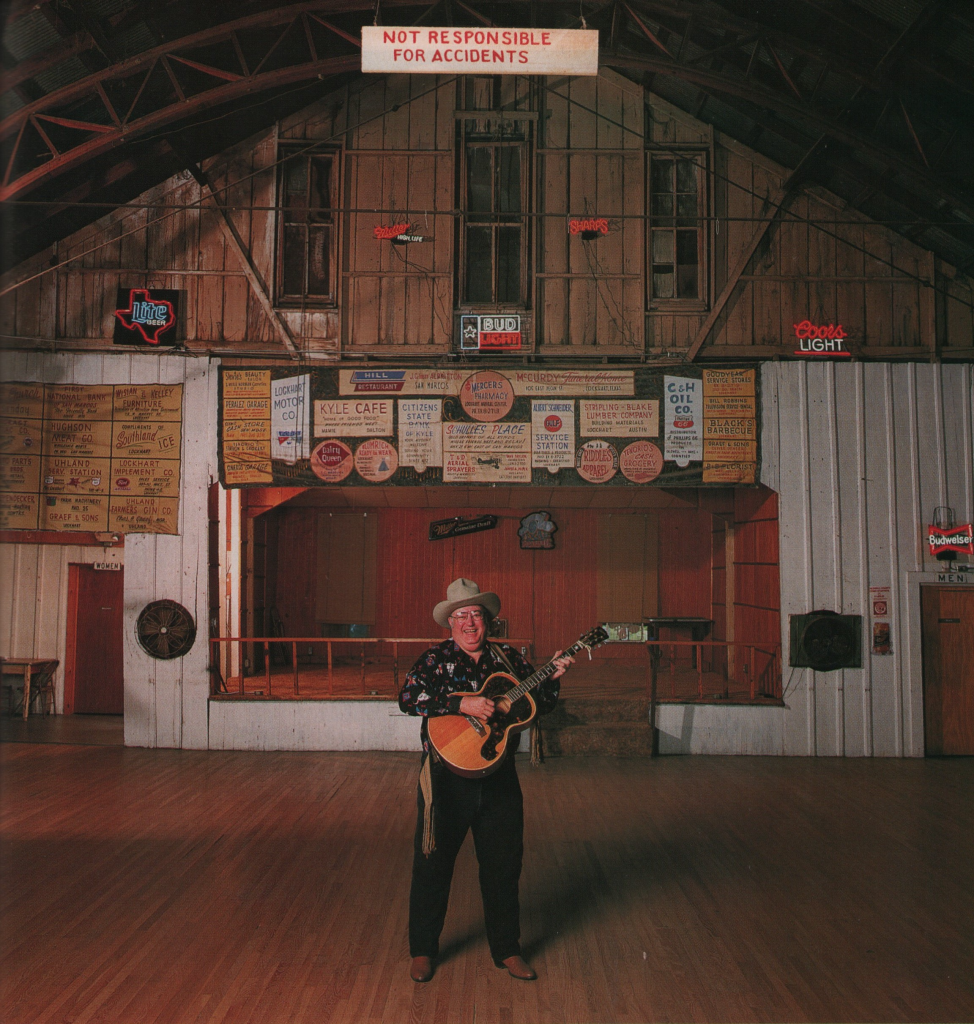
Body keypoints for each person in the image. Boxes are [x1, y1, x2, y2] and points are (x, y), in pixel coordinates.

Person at [398, 578, 573, 984]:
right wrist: (460, 702)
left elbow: (539, 705)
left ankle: (508, 949)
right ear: (450, 622)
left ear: (488, 620)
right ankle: (423, 950)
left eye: (476, 614)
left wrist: (554, 676)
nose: (470, 622)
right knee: (432, 865)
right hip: (445, 779)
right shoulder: (434, 660)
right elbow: (408, 699)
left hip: (498, 779)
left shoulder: (510, 661)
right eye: (461, 615)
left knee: (503, 865)